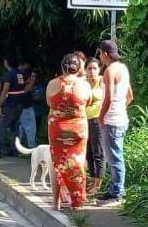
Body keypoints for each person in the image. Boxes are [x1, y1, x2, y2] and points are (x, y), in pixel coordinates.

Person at [47, 53, 92, 210]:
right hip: (78, 128)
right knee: (78, 163)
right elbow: (88, 102)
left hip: (57, 129)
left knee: (57, 164)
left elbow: (49, 103)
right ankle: (76, 202)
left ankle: (56, 202)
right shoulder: (85, 85)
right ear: (79, 68)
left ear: (62, 67)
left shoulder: (52, 84)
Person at [97, 39, 133, 205]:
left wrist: (102, 116)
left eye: (100, 54)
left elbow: (109, 97)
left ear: (105, 54)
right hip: (121, 118)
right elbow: (130, 96)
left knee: (115, 158)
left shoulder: (109, 71)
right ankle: (113, 189)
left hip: (111, 121)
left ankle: (118, 192)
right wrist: (120, 109)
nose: (99, 57)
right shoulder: (123, 68)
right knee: (115, 156)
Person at [0, 55, 29, 158]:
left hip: (11, 104)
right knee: (15, 127)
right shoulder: (21, 73)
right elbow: (28, 83)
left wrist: (0, 103)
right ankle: (14, 150)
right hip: (20, 103)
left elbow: (5, 90)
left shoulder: (9, 74)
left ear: (7, 62)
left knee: (2, 127)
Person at [84, 58, 106, 197]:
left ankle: (98, 185)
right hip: (84, 121)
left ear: (99, 69)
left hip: (98, 121)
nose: (92, 71)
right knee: (88, 153)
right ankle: (92, 181)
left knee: (98, 152)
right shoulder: (83, 84)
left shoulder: (103, 82)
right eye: (89, 68)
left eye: (94, 68)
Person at [16, 59, 38, 147]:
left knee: (19, 126)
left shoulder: (14, 74)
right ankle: (31, 146)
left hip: (17, 104)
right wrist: (32, 81)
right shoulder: (23, 74)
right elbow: (26, 90)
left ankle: (17, 146)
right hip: (25, 104)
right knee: (30, 127)